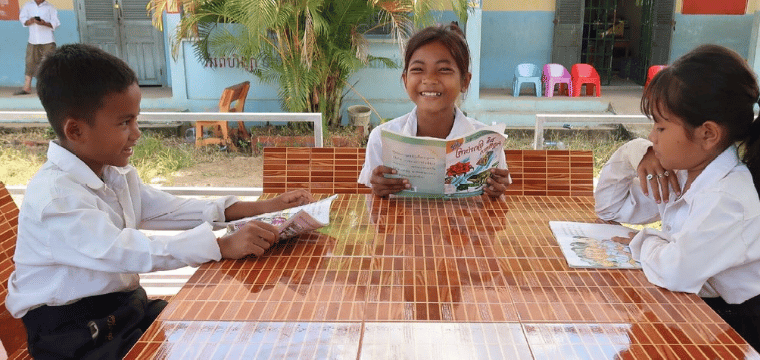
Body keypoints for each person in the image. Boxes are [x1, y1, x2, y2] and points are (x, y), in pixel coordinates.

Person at [5, 43, 314, 359]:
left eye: (135, 120)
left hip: (126, 308)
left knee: (222, 334)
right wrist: (221, 247)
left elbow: (171, 208)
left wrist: (265, 206)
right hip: (74, 335)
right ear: (76, 130)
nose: (136, 133)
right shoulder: (55, 198)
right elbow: (124, 250)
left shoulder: (113, 173)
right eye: (124, 123)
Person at [594, 44, 760, 350]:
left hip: (735, 328)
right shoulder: (684, 173)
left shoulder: (728, 198)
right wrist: (637, 152)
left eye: (660, 127)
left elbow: (675, 271)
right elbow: (609, 206)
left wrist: (639, 241)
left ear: (708, 134)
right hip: (697, 311)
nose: (653, 137)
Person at [357, 23, 511, 198]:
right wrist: (378, 191)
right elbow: (370, 207)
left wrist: (496, 193)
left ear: (465, 82)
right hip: (404, 225)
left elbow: (496, 207)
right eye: (418, 69)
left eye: (444, 69)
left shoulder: (487, 142)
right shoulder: (382, 139)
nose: (429, 79)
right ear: (405, 79)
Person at [15, 0, 59, 95]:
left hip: (48, 40)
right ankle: (27, 87)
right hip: (33, 40)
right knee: (30, 62)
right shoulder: (28, 5)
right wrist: (30, 21)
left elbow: (56, 23)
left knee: (49, 64)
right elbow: (22, 18)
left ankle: (51, 88)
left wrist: (44, 23)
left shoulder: (50, 7)